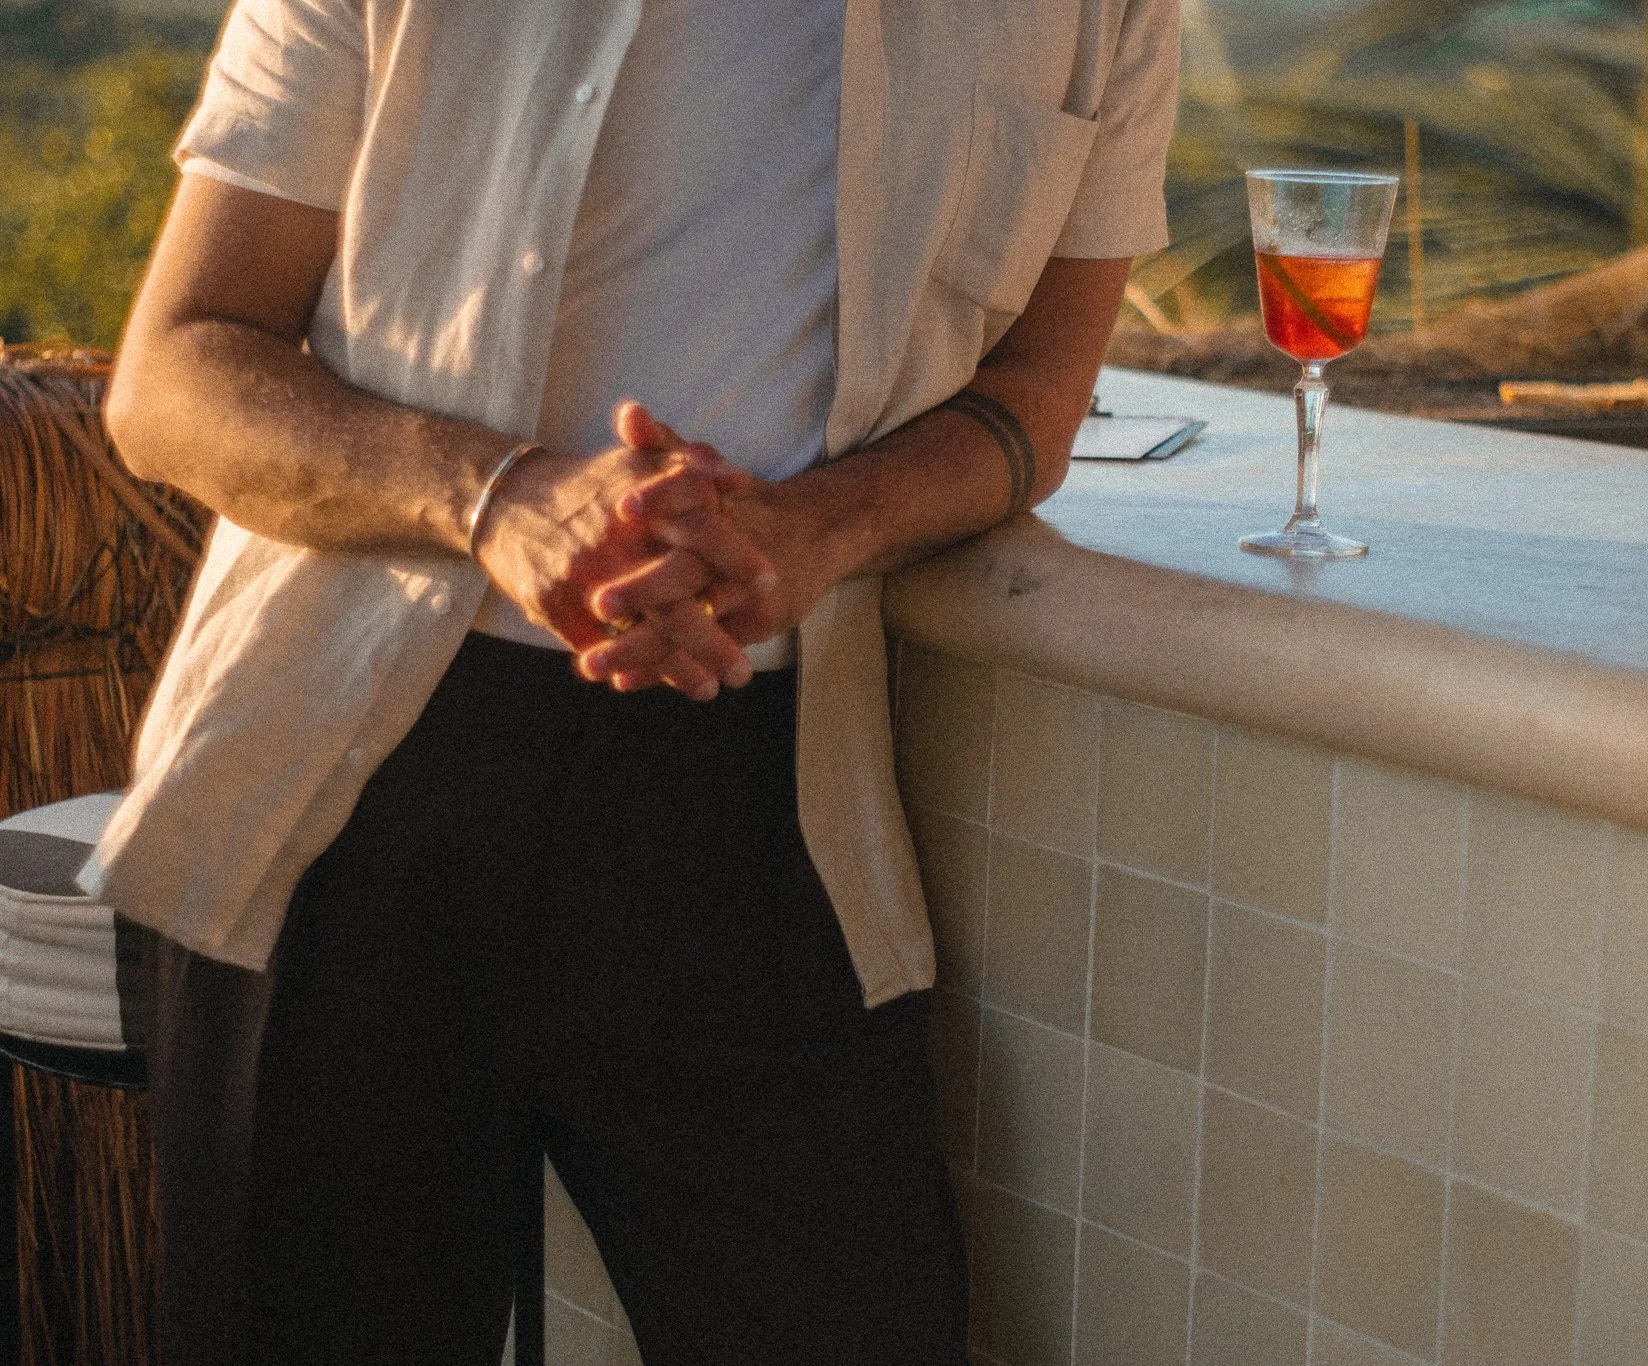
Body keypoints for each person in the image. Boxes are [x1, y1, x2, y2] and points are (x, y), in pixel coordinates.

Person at [93, 1, 1180, 1361]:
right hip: (352, 793)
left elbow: (1041, 389)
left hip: (764, 803)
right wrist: (499, 498)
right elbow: (174, 372)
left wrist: (816, 529)